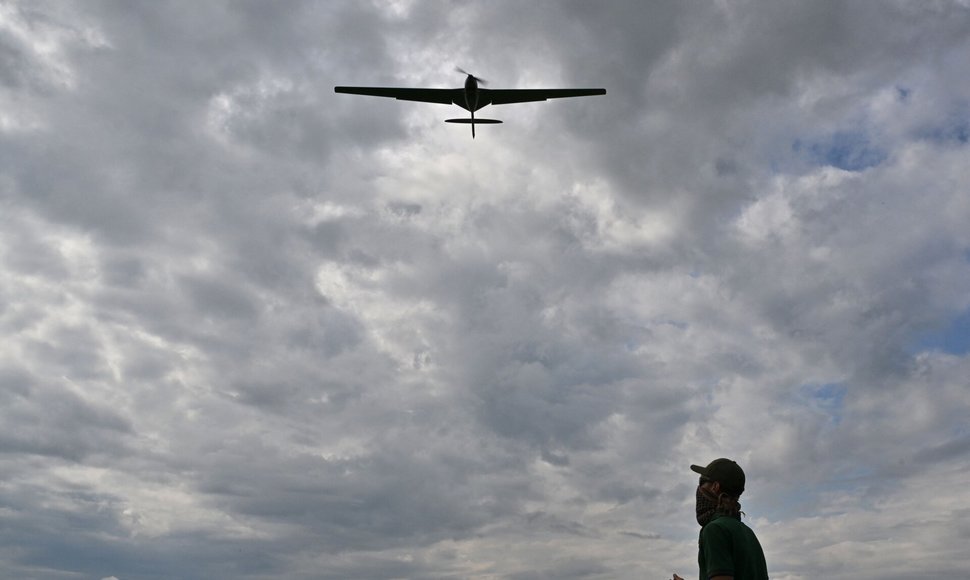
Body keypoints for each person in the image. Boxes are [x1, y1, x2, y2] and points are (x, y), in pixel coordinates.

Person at [672, 458, 768, 580]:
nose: (699, 488)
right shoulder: (748, 533)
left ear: (715, 487)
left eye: (702, 483)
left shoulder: (715, 530)